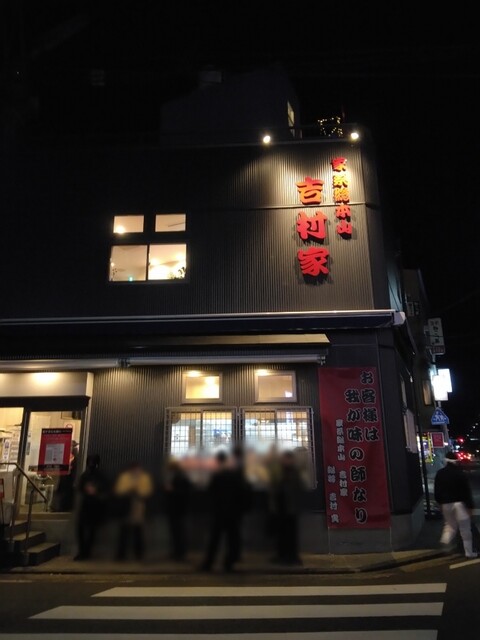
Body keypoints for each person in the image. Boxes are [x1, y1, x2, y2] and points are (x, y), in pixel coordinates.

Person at [200, 448, 251, 573]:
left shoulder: (217, 476)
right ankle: (229, 563)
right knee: (232, 538)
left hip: (219, 512)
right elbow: (243, 492)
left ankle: (208, 563)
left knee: (215, 539)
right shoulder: (235, 476)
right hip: (233, 513)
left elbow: (210, 493)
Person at [434, 450, 477, 559]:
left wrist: (439, 503)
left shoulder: (440, 473)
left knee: (450, 526)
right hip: (459, 504)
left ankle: (445, 544)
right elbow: (466, 492)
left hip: (446, 504)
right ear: (456, 461)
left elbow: (437, 491)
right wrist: (470, 507)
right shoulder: (460, 474)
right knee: (465, 529)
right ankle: (469, 552)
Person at [268, 448, 305, 565]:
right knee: (282, 534)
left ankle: (291, 557)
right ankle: (283, 556)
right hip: (283, 508)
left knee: (290, 535)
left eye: (285, 459)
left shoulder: (293, 473)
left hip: (290, 509)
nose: (283, 461)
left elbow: (294, 489)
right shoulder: (284, 472)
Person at [113, 462, 154, 561]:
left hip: (138, 506)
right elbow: (119, 490)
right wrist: (131, 488)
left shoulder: (144, 477)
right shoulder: (125, 477)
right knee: (124, 532)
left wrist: (137, 490)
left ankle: (138, 554)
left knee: (137, 531)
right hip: (125, 507)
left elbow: (147, 491)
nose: (136, 471)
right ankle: (121, 554)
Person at [73, 454, 109, 561]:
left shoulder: (89, 475)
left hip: (93, 505)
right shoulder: (89, 475)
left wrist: (95, 490)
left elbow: (104, 489)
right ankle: (84, 551)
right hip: (89, 505)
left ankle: (84, 552)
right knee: (86, 530)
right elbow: (80, 487)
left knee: (89, 530)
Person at [163, 456, 193, 561]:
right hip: (178, 508)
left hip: (177, 508)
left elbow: (184, 493)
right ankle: (178, 552)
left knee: (178, 531)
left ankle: (180, 553)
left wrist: (172, 490)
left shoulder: (179, 477)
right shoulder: (180, 476)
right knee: (177, 531)